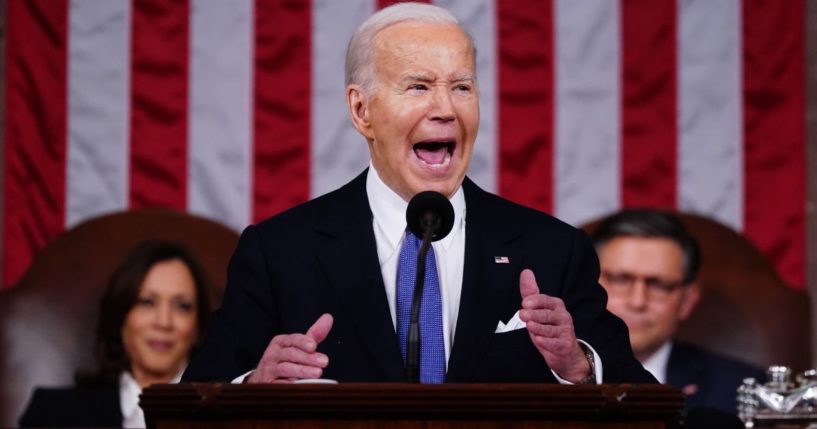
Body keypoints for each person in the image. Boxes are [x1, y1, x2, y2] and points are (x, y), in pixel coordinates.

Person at [182, 2, 654, 386]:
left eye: (462, 87)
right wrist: (255, 386)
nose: (445, 108)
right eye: (419, 86)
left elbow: (645, 404)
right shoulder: (280, 251)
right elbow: (195, 403)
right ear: (361, 109)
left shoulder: (552, 250)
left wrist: (577, 366)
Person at [19, 241, 214, 428]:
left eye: (182, 306)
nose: (163, 322)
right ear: (121, 317)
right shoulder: (52, 413)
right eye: (147, 302)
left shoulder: (227, 418)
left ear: (198, 327)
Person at [590, 209, 766, 414]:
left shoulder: (740, 390)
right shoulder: (546, 376)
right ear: (588, 288)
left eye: (659, 285)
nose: (637, 301)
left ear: (687, 301)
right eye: (621, 280)